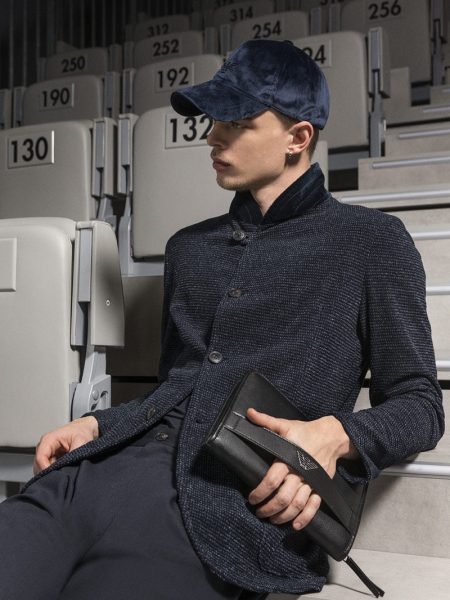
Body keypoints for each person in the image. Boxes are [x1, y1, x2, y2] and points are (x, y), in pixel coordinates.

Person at [0, 40, 444, 599]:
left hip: (220, 512)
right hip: (94, 474)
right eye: (214, 121)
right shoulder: (189, 248)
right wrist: (98, 426)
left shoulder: (372, 242)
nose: (212, 136)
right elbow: (181, 387)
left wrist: (335, 436)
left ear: (298, 137)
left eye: (236, 123)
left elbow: (420, 405)